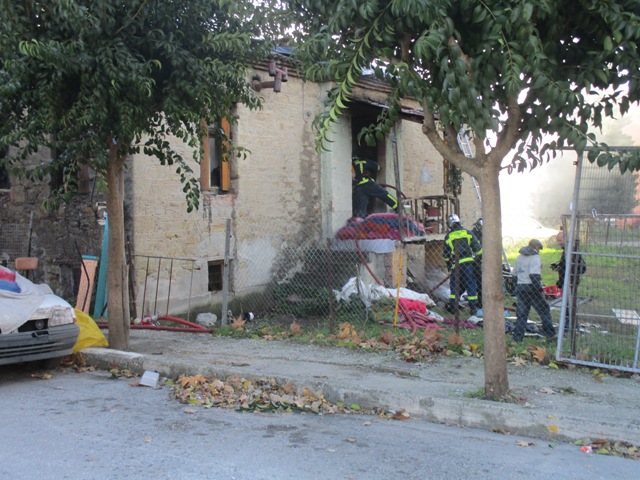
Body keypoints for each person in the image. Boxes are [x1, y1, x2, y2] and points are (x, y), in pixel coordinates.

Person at [512, 239, 555, 342]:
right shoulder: (535, 257)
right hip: (532, 288)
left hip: (521, 287)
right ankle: (549, 333)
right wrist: (539, 289)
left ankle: (517, 338)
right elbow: (534, 275)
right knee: (544, 309)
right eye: (539, 249)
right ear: (536, 247)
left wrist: (516, 287)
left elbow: (514, 275)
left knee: (522, 314)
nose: (539, 251)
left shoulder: (519, 257)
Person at [443, 214, 482, 314]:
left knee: (454, 286)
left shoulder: (449, 236)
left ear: (450, 224)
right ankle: (473, 308)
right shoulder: (467, 233)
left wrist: (449, 265)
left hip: (456, 265)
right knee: (471, 285)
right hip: (468, 265)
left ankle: (453, 307)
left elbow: (446, 255)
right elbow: (478, 250)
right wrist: (476, 262)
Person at [551, 231, 586, 331]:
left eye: (560, 240)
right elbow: (566, 266)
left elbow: (582, 267)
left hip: (570, 281)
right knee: (567, 303)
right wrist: (559, 267)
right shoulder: (567, 250)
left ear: (566, 239)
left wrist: (572, 275)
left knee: (569, 303)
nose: (559, 242)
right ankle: (570, 323)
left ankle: (572, 324)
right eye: (558, 240)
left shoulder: (572, 251)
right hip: (566, 281)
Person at [471, 218, 483, 308]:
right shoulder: (472, 234)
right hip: (472, 261)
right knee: (472, 282)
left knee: (480, 283)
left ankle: (480, 302)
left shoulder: (483, 235)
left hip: (480, 262)